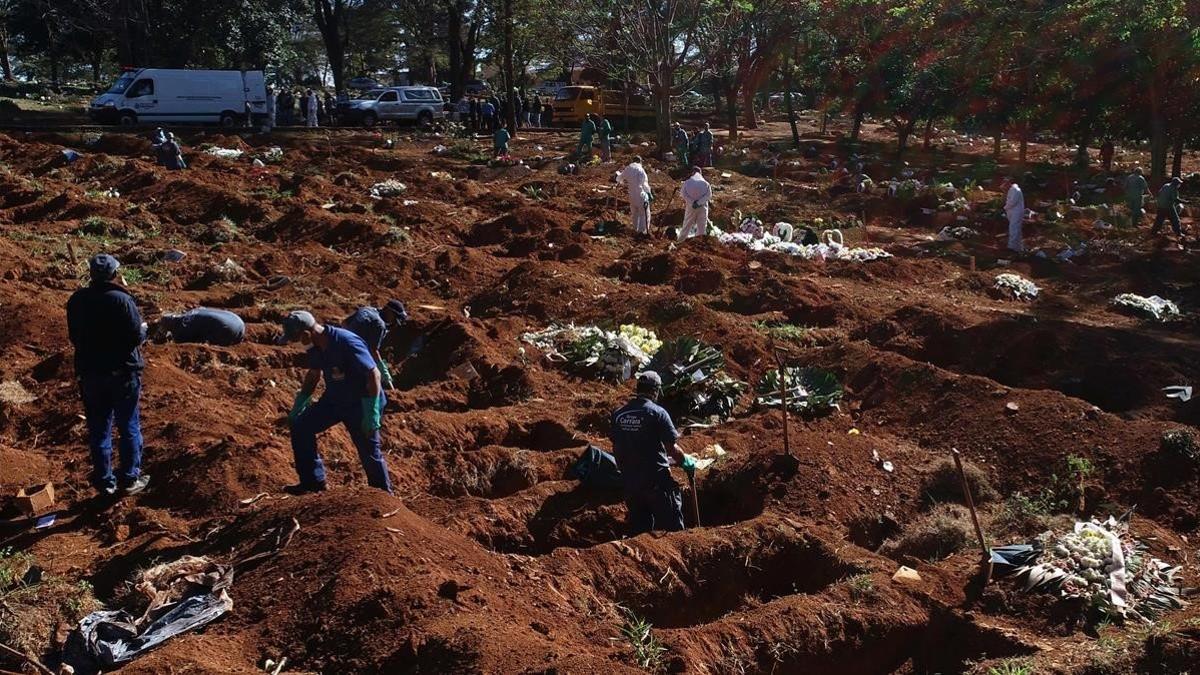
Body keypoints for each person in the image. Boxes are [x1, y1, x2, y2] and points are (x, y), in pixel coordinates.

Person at [278, 311, 391, 495]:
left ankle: (384, 496)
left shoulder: (346, 342)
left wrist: (372, 411)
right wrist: (300, 402)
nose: (295, 344)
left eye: (295, 339)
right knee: (300, 426)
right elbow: (314, 374)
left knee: (369, 451)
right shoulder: (315, 346)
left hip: (362, 402)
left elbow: (373, 374)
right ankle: (312, 483)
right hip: (335, 399)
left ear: (306, 334)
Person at [66, 254, 150, 497]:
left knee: (99, 429)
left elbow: (74, 337)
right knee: (128, 426)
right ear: (114, 274)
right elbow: (136, 336)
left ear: (91, 274)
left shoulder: (77, 300)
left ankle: (105, 482)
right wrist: (144, 333)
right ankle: (129, 478)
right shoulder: (122, 300)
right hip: (122, 373)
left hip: (91, 374)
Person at [610, 371, 696, 535]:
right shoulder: (658, 413)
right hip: (656, 481)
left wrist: (625, 471)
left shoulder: (619, 414)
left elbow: (616, 447)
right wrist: (685, 462)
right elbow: (671, 448)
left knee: (640, 533)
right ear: (656, 391)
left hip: (631, 483)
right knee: (673, 531)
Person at [342, 300, 407, 391]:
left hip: (340, 345)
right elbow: (373, 351)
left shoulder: (367, 309)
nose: (393, 322)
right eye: (395, 317)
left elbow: (344, 323)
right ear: (389, 312)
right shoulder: (380, 324)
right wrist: (384, 372)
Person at [151, 308, 245, 346]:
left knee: (202, 340)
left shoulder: (183, 329)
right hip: (239, 322)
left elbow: (181, 345)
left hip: (229, 331)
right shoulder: (194, 310)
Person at [618, 156, 653, 235]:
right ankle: (642, 232)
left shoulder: (628, 168)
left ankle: (635, 230)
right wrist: (649, 193)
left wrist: (619, 177)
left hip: (632, 195)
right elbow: (644, 184)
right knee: (644, 214)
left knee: (635, 214)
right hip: (641, 195)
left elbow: (619, 178)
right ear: (640, 161)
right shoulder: (640, 170)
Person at [678, 166, 711, 241]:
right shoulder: (706, 184)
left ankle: (681, 240)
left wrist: (692, 202)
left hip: (691, 207)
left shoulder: (687, 183)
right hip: (702, 207)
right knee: (702, 226)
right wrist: (699, 203)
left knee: (687, 224)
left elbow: (683, 194)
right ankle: (699, 242)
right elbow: (708, 195)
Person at [1001, 177, 1025, 253]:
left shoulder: (1015, 190)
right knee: (1016, 230)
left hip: (1016, 213)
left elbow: (1012, 202)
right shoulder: (1010, 190)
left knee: (1013, 229)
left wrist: (1005, 208)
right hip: (1012, 213)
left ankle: (1011, 248)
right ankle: (1017, 248)